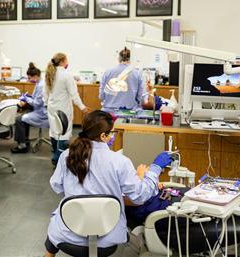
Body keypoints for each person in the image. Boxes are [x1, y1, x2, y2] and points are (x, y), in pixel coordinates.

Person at [44, 110, 172, 257]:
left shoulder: (67, 155)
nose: (113, 137)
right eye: (111, 133)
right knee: (134, 239)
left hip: (67, 236)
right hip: (106, 241)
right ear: (103, 136)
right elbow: (140, 196)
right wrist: (155, 169)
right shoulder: (120, 162)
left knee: (56, 223)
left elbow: (56, 186)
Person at [44, 52, 89, 165]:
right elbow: (74, 94)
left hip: (52, 108)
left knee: (54, 131)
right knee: (63, 133)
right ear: (63, 61)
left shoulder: (50, 74)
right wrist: (82, 107)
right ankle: (58, 158)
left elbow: (44, 93)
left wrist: (46, 103)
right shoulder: (66, 75)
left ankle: (55, 154)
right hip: (63, 109)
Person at [11, 62, 49, 153]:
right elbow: (36, 98)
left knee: (19, 120)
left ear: (35, 76)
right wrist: (28, 97)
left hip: (42, 114)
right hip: (40, 110)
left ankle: (22, 145)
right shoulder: (39, 83)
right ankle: (24, 142)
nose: (28, 80)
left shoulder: (41, 86)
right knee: (24, 117)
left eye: (29, 78)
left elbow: (36, 103)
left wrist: (26, 99)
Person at [99, 47, 144, 112]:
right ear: (130, 59)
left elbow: (101, 96)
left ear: (118, 58)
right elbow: (140, 97)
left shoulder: (108, 72)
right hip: (129, 113)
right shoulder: (137, 73)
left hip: (109, 113)